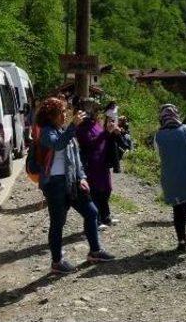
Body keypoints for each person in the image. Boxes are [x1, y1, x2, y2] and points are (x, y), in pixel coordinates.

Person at [36, 97, 115, 274]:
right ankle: (56, 262)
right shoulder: (47, 131)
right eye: (61, 112)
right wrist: (73, 127)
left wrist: (82, 177)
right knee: (58, 223)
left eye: (65, 111)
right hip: (55, 184)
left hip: (72, 180)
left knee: (92, 212)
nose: (65, 115)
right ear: (51, 116)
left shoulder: (64, 130)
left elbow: (76, 157)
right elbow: (57, 144)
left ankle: (95, 251)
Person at [154, 104, 186, 251]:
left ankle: (181, 242)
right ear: (176, 115)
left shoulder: (158, 135)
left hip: (171, 178)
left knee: (178, 210)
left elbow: (160, 157)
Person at [76, 100, 119, 230]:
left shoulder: (96, 123)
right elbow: (90, 144)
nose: (97, 112)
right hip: (92, 165)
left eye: (97, 110)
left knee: (107, 190)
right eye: (95, 110)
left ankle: (106, 216)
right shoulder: (81, 127)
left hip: (102, 162)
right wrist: (106, 132)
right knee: (95, 192)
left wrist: (112, 132)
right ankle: (97, 220)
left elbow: (104, 137)